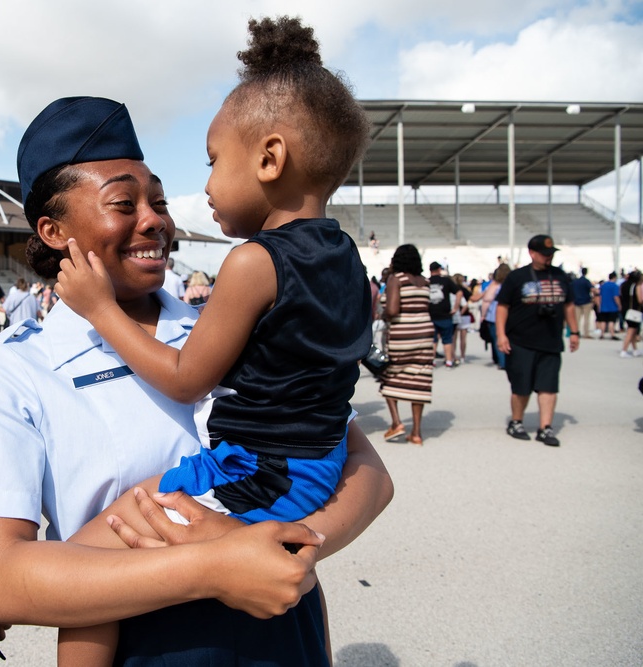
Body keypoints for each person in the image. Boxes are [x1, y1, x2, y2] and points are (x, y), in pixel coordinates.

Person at [0, 90, 393, 667]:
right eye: (123, 203)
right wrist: (217, 563)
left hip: (285, 636)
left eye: (160, 201)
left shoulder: (232, 321)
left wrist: (292, 550)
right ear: (51, 231)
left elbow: (366, 470)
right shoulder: (17, 369)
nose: (155, 220)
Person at [54, 18, 374, 662]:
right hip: (307, 467)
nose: (205, 186)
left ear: (269, 158)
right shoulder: (347, 259)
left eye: (212, 161)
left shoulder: (255, 261)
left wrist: (98, 309)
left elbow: (184, 378)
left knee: (85, 566)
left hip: (260, 475)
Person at [496, 234, 579, 447]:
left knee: (549, 387)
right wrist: (501, 334)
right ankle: (516, 422)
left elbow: (569, 305)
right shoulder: (517, 277)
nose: (548, 258)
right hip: (521, 341)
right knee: (521, 387)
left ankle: (545, 428)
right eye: (544, 254)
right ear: (532, 253)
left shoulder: (560, 276)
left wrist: (575, 331)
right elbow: (503, 307)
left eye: (550, 254)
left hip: (551, 341)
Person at [379, 244, 435, 445]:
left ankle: (396, 423)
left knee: (389, 375)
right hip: (425, 335)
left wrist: (382, 314)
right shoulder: (424, 282)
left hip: (402, 335)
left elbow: (393, 310)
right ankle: (417, 433)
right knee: (419, 380)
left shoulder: (397, 279)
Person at [428, 261, 460, 368]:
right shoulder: (446, 281)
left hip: (431, 314)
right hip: (445, 314)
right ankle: (449, 361)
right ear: (438, 270)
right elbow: (459, 292)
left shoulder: (426, 282)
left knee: (433, 340)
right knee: (447, 339)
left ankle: (431, 360)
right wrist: (456, 307)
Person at [480, 263, 511, 370]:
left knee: (497, 338)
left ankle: (502, 362)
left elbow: (486, 301)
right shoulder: (511, 284)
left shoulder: (494, 285)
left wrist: (483, 315)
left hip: (494, 315)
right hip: (510, 315)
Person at [619, 270, 642, 358]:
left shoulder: (623, 285)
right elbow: (639, 299)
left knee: (632, 330)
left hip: (626, 310)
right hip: (634, 310)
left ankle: (635, 349)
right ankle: (624, 350)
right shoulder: (636, 286)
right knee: (631, 331)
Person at [451, 273, 472, 364]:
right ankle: (462, 355)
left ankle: (453, 355)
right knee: (463, 338)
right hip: (464, 315)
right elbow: (468, 301)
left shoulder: (452, 289)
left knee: (453, 338)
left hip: (455, 314)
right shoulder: (465, 290)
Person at [570, 268, 595, 338]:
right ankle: (586, 333)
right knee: (586, 318)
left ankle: (576, 332)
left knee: (577, 319)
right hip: (586, 301)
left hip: (577, 301)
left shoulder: (575, 281)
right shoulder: (586, 281)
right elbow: (592, 289)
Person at [596, 272, 621, 340]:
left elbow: (600, 296)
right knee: (611, 321)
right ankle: (612, 334)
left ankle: (602, 334)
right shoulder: (615, 286)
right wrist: (619, 305)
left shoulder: (603, 285)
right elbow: (616, 297)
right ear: (614, 277)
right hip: (612, 307)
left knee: (603, 321)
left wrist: (599, 305)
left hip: (603, 306)